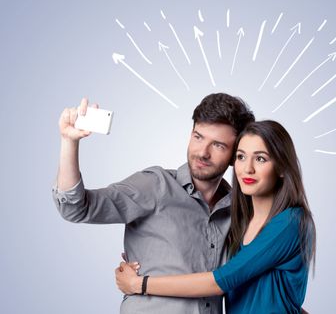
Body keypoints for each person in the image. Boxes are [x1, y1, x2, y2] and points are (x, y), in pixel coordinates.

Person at [52, 93, 255, 314]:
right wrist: (69, 142)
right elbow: (76, 208)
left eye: (217, 145)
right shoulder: (155, 185)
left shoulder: (240, 210)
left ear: (236, 154)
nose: (202, 152)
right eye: (198, 137)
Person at [115, 120, 316, 313]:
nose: (248, 168)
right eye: (241, 157)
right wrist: (147, 256)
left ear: (282, 167)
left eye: (261, 158)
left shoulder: (290, 221)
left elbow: (219, 281)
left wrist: (139, 283)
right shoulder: (240, 223)